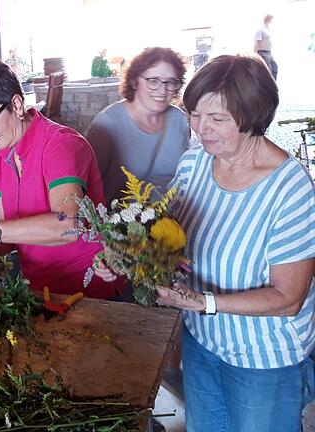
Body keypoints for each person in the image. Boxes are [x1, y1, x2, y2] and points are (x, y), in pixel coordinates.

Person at [97, 55, 315, 431]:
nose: (201, 128)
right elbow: (167, 234)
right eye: (195, 114)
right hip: (202, 341)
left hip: (263, 359)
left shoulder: (290, 190)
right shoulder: (194, 162)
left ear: (253, 116)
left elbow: (288, 298)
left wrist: (205, 302)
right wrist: (126, 256)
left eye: (217, 119)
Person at [0, 59, 124, 299]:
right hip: (38, 288)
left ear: (17, 104)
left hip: (86, 287)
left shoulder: (60, 145)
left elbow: (67, 226)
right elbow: (8, 233)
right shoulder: (3, 157)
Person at [86, 47, 191, 204]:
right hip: (119, 223)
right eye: (153, 81)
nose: (163, 90)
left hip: (172, 220)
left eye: (171, 82)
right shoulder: (107, 125)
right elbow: (87, 187)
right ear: (134, 81)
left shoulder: (179, 120)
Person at [255, 14, 278, 80]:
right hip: (263, 53)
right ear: (268, 19)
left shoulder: (267, 29)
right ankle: (269, 86)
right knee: (267, 71)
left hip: (269, 53)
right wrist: (256, 55)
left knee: (274, 67)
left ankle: (273, 83)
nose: (271, 20)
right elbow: (257, 43)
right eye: (271, 19)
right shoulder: (260, 29)